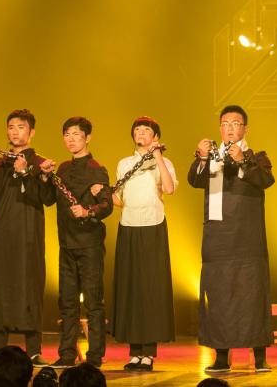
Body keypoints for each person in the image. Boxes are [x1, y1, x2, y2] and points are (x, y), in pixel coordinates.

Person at [188, 105, 276, 373]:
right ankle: (221, 356)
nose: (229, 128)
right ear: (219, 128)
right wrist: (202, 157)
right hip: (218, 236)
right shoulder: (212, 157)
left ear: (245, 129)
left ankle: (259, 356)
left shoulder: (256, 157)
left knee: (253, 294)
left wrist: (241, 161)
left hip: (248, 237)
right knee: (219, 296)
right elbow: (194, 180)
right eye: (225, 123)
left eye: (235, 123)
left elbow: (266, 180)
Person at [0, 109, 54, 365]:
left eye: (20, 127)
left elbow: (47, 198)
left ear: (31, 132)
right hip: (0, 235)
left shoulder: (40, 162)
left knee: (30, 287)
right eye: (11, 127)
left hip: (28, 236)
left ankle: (34, 350)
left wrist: (27, 172)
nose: (15, 132)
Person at [39, 117, 111, 369]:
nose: (70, 139)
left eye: (76, 134)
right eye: (67, 134)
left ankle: (95, 356)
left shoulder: (97, 169)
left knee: (93, 302)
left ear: (87, 137)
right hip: (66, 244)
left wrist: (88, 211)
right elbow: (48, 199)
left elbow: (106, 205)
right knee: (67, 303)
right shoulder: (62, 169)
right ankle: (67, 353)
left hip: (89, 243)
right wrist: (45, 178)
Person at [111, 116, 177, 371]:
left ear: (155, 136)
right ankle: (134, 352)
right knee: (131, 288)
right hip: (129, 227)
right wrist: (104, 193)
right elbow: (119, 199)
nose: (140, 133)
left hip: (153, 227)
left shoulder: (164, 162)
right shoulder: (124, 163)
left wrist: (157, 156)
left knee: (150, 290)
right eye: (137, 129)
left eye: (146, 130)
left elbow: (169, 189)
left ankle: (148, 352)